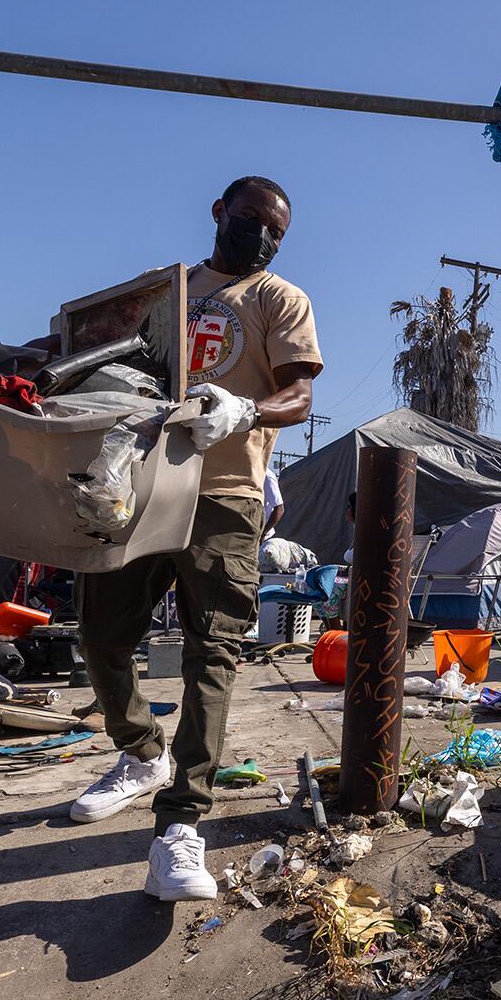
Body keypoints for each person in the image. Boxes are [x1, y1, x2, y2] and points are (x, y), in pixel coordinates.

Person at [69, 176, 322, 903]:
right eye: (252, 222)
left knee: (212, 652)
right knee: (101, 632)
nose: (263, 238)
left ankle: (180, 826)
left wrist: (246, 408)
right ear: (219, 213)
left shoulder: (279, 299)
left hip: (226, 496)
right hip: (146, 485)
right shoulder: (168, 294)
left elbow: (301, 394)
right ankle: (141, 751)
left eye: (276, 231)